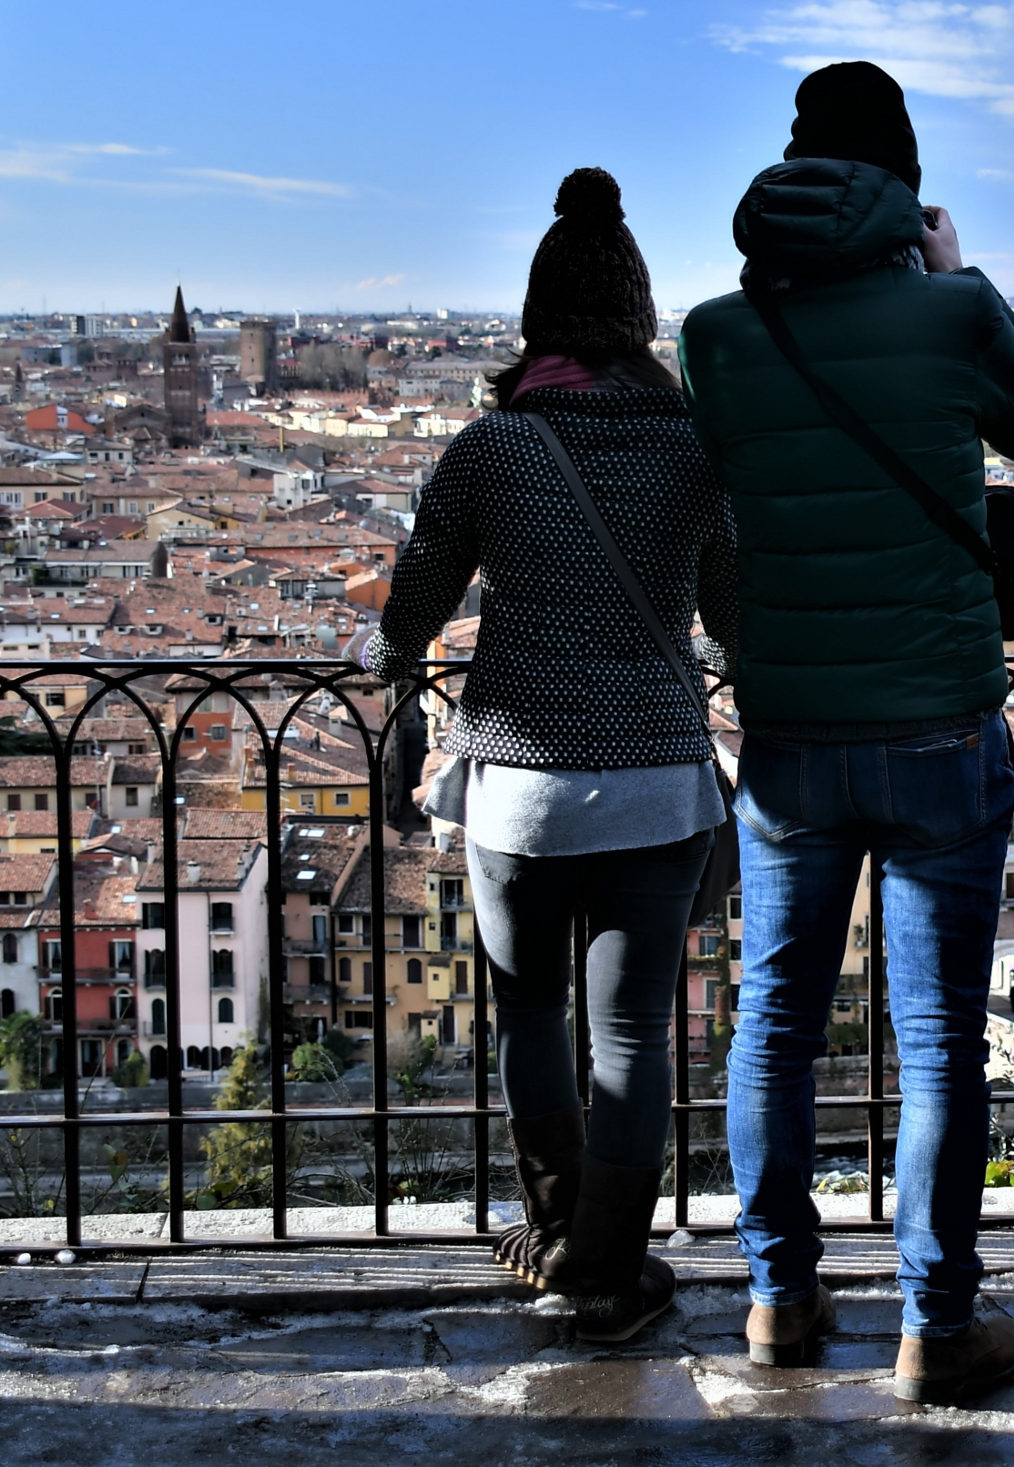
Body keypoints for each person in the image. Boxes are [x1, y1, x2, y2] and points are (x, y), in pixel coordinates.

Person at [679, 61, 1014, 1403]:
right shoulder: (950, 309)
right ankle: (934, 1325)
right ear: (906, 187)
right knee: (941, 1038)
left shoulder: (719, 335)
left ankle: (777, 1300)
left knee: (774, 1024)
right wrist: (956, 277)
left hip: (791, 732)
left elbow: (722, 492)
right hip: (938, 725)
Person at [362, 166, 737, 1344]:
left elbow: (414, 601)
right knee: (631, 1037)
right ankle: (608, 1270)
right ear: (640, 314)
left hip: (518, 794)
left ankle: (558, 1232)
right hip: (657, 784)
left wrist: (394, 670)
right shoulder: (695, 448)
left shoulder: (493, 446)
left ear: (537, 315)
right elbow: (733, 614)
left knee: (529, 1016)